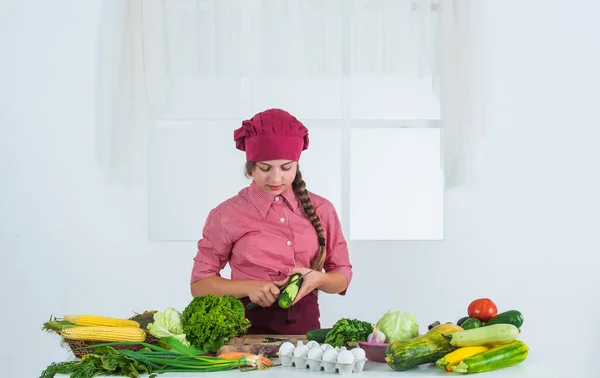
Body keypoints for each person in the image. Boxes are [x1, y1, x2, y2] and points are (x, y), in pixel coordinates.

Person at [190, 108, 353, 335]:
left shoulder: (322, 209)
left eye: (286, 168)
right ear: (250, 167)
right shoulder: (227, 215)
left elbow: (342, 276)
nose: (276, 178)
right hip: (243, 336)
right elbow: (200, 284)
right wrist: (250, 287)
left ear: (297, 164)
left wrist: (318, 279)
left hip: (306, 338)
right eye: (265, 168)